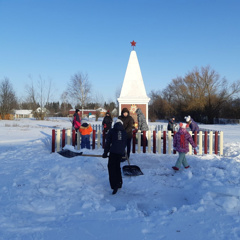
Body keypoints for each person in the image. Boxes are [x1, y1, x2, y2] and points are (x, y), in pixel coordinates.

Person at [102, 119, 127, 195]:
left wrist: (105, 153)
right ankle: (119, 182)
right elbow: (124, 143)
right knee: (117, 166)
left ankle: (114, 185)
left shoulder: (112, 131)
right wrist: (122, 152)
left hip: (113, 152)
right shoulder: (124, 132)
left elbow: (108, 143)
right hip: (120, 152)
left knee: (111, 167)